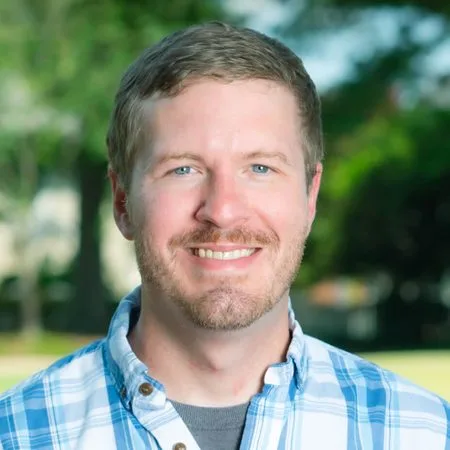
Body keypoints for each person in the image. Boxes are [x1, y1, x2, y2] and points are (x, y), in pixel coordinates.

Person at [0, 21, 448, 450]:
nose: (222, 211)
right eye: (183, 169)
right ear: (122, 202)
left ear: (310, 196)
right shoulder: (14, 436)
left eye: (260, 168)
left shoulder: (424, 434)